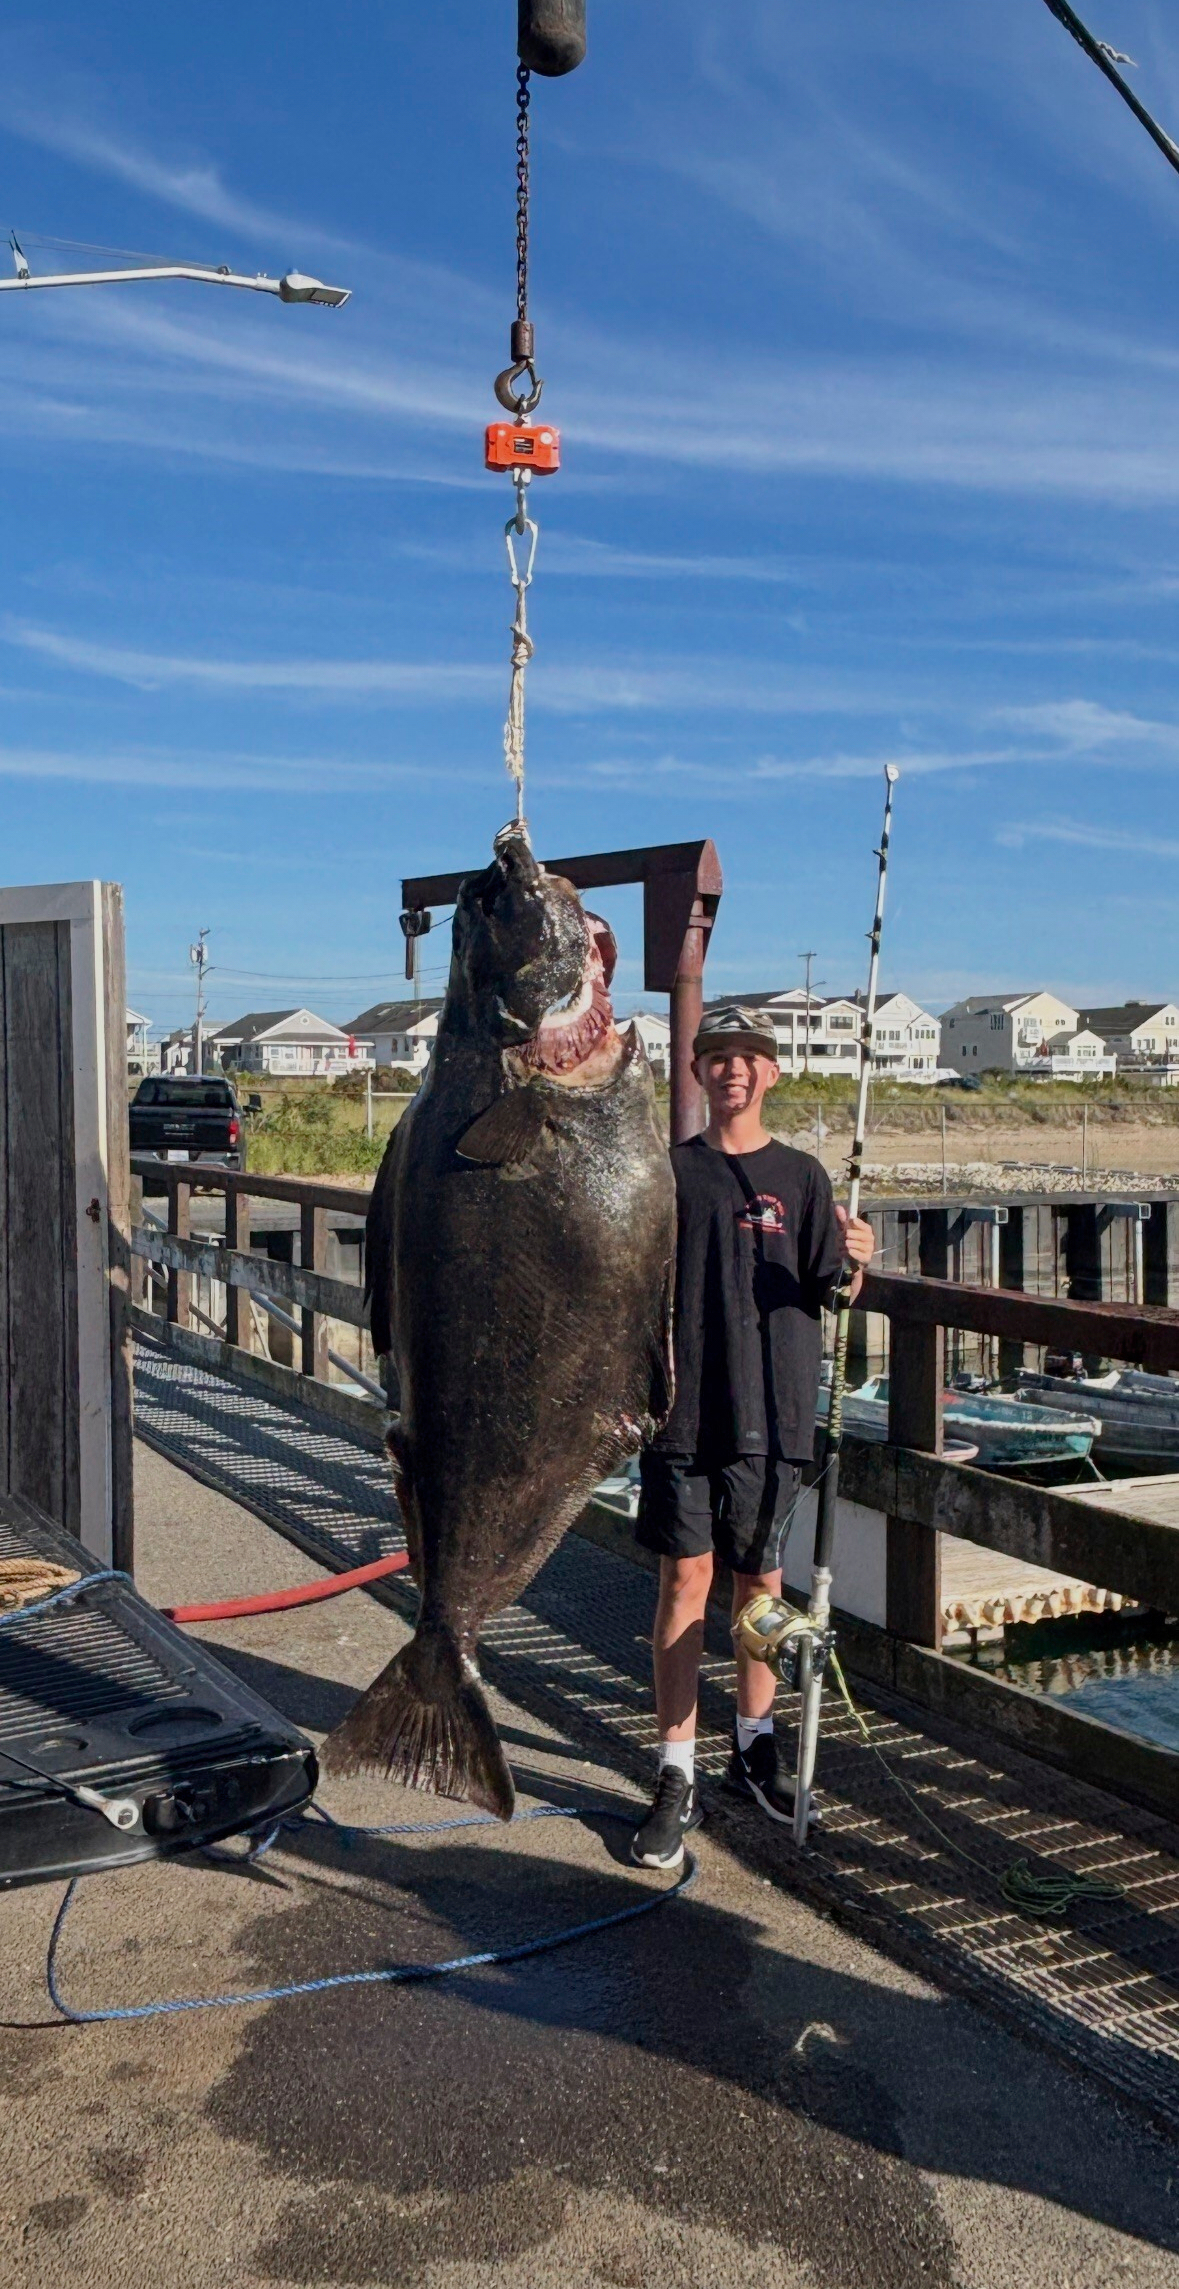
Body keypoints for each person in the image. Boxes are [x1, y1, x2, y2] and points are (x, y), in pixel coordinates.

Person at [631, 1005, 876, 1869]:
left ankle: (753, 1745)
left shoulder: (802, 1177)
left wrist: (857, 1255)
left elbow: (832, 1290)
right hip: (681, 1413)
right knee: (682, 1584)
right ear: (698, 1073)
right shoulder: (666, 1174)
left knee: (760, 1592)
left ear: (771, 1074)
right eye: (717, 1057)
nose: (733, 1070)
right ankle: (673, 1769)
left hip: (773, 1420)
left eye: (749, 1058)